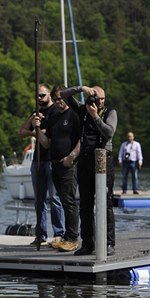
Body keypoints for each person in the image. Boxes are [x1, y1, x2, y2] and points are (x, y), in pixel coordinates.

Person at [60, 85, 118, 256]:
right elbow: (63, 95)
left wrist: (95, 116)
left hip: (103, 161)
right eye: (96, 98)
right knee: (85, 205)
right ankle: (88, 244)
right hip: (85, 160)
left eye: (102, 99)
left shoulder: (109, 112)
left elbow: (109, 132)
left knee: (105, 204)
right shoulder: (82, 109)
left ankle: (109, 243)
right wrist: (82, 89)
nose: (99, 102)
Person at [34, 86, 81, 252]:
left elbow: (81, 139)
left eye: (61, 98)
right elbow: (46, 143)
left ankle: (72, 238)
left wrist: (72, 157)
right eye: (56, 99)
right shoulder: (54, 117)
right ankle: (65, 237)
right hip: (54, 163)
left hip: (69, 164)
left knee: (68, 201)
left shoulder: (74, 114)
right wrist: (37, 128)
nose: (59, 101)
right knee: (61, 199)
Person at [18, 84, 65, 246]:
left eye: (42, 95)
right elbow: (22, 131)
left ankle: (59, 233)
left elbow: (49, 133)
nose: (39, 98)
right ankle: (41, 234)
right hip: (37, 161)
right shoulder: (36, 113)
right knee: (39, 199)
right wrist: (33, 123)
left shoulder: (55, 112)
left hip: (51, 160)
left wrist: (38, 129)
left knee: (55, 198)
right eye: (37, 96)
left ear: (49, 96)